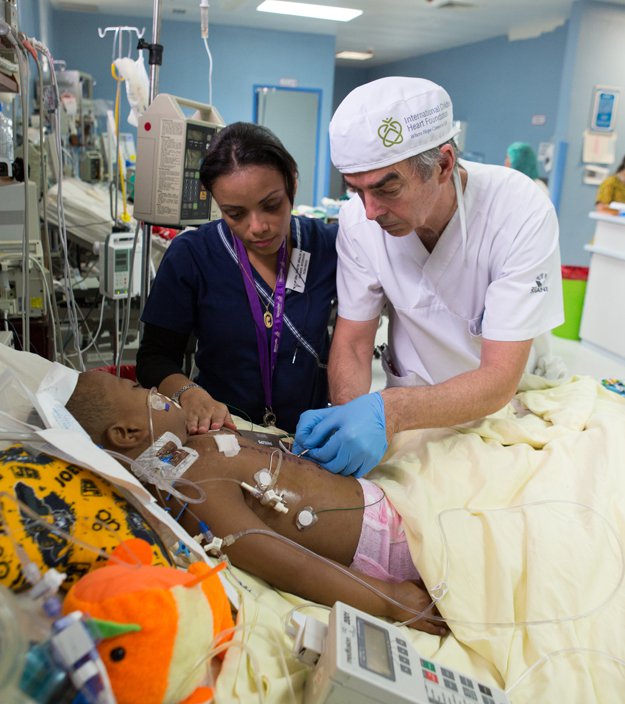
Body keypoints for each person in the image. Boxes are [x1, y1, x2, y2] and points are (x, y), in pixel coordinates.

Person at [293, 77, 564, 477]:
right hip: (412, 412)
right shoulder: (358, 222)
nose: (370, 210)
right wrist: (348, 416)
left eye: (387, 188)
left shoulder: (519, 211)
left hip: (503, 410)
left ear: (443, 165)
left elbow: (499, 377)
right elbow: (352, 342)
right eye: (356, 190)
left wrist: (387, 411)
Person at [65, 370, 448, 637]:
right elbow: (290, 564)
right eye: (138, 391)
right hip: (391, 544)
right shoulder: (190, 489)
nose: (156, 392)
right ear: (127, 433)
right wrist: (389, 600)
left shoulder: (193, 446)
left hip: (394, 498)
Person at [136, 122, 338, 436]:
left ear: (292, 185)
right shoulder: (192, 256)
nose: (257, 227)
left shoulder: (326, 246)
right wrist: (188, 393)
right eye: (235, 213)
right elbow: (154, 358)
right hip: (226, 432)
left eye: (271, 205)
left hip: (309, 436)